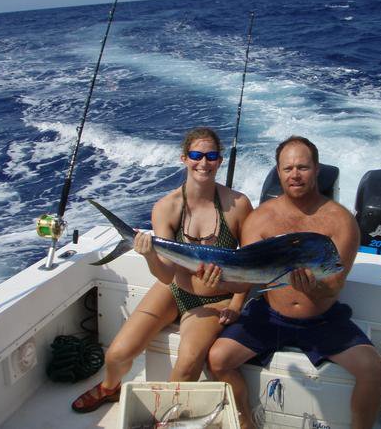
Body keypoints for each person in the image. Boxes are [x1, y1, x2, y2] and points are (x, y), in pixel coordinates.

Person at [207, 136, 381, 429]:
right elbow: (244, 281)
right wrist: (218, 281)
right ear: (278, 172)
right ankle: (245, 423)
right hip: (269, 315)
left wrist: (311, 287)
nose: (295, 174)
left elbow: (335, 285)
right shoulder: (260, 219)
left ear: (316, 169)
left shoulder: (341, 222)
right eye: (288, 168)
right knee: (218, 358)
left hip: (322, 319)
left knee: (373, 368)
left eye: (303, 167)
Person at [72, 127, 253, 413]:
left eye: (211, 156)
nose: (203, 162)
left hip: (215, 298)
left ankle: (166, 417)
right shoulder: (165, 208)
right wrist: (148, 256)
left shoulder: (239, 205)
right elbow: (167, 275)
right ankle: (109, 388)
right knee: (116, 355)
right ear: (184, 158)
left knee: (186, 368)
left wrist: (237, 303)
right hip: (174, 289)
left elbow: (250, 264)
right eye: (196, 155)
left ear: (219, 161)